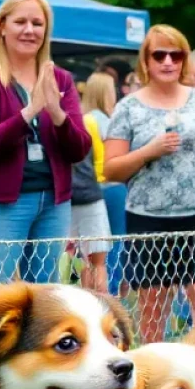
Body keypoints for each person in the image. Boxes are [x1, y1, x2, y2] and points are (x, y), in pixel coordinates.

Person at [104, 25, 195, 343]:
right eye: (159, 54)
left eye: (176, 54)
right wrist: (148, 151)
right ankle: (154, 385)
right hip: (148, 220)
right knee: (153, 318)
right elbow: (111, 169)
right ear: (146, 60)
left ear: (184, 59)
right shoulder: (128, 107)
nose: (168, 61)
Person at [0, 0, 90, 287]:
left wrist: (57, 114)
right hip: (4, 201)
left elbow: (79, 149)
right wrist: (30, 110)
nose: (29, 30)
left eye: (37, 23)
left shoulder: (61, 79)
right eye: (21, 22)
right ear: (3, 26)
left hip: (53, 201)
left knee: (45, 295)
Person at [70, 72, 116, 294]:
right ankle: (104, 305)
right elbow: (104, 157)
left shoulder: (85, 119)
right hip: (93, 192)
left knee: (82, 260)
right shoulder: (95, 119)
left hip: (75, 195)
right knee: (96, 259)